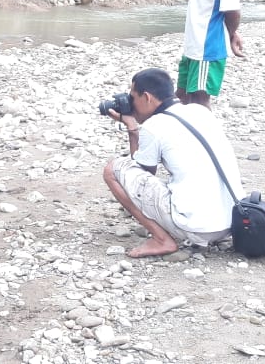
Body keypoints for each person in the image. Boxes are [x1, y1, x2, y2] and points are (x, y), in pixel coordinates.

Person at [102, 68, 244, 258]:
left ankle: (161, 240)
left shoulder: (154, 126)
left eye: (132, 98)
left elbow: (142, 174)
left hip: (196, 228)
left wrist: (132, 127)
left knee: (113, 169)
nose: (131, 104)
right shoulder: (201, 111)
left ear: (147, 97)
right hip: (232, 223)